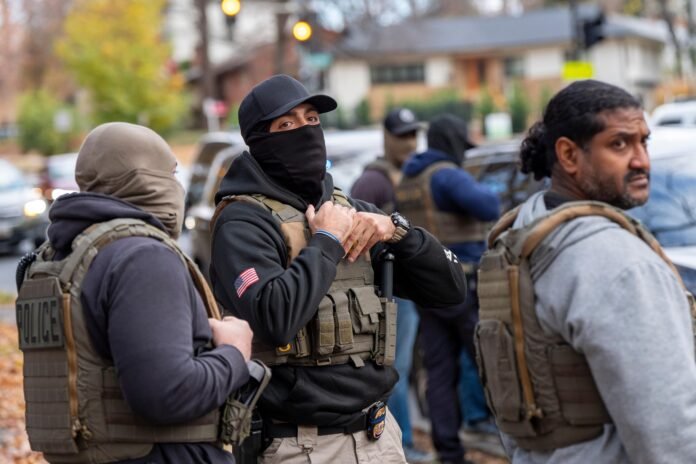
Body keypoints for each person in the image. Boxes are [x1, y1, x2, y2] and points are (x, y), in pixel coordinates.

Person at [209, 74, 467, 463]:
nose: (305, 131)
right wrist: (327, 241)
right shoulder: (243, 222)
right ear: (259, 141)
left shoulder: (353, 210)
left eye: (312, 119)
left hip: (379, 435)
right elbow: (275, 317)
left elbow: (450, 289)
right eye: (287, 124)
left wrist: (398, 231)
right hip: (300, 444)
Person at [476, 79, 696, 463]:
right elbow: (668, 432)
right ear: (568, 155)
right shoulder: (619, 263)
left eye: (643, 142)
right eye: (619, 144)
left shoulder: (521, 235)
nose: (641, 160)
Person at [15, 122, 254, 463]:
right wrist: (234, 353)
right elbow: (166, 394)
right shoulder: (141, 256)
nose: (177, 186)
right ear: (144, 177)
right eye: (171, 173)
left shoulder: (61, 257)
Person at [396, 114, 501, 464]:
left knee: (439, 372)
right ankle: (516, 442)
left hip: (427, 288)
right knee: (491, 365)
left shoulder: (410, 177)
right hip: (462, 284)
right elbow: (489, 206)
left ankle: (449, 452)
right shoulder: (447, 175)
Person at [350, 107, 432, 463]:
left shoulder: (410, 175)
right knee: (393, 370)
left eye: (413, 135)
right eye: (402, 136)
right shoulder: (373, 181)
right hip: (388, 293)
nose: (410, 143)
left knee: (405, 369)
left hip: (408, 288)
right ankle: (403, 445)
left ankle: (402, 442)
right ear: (386, 138)